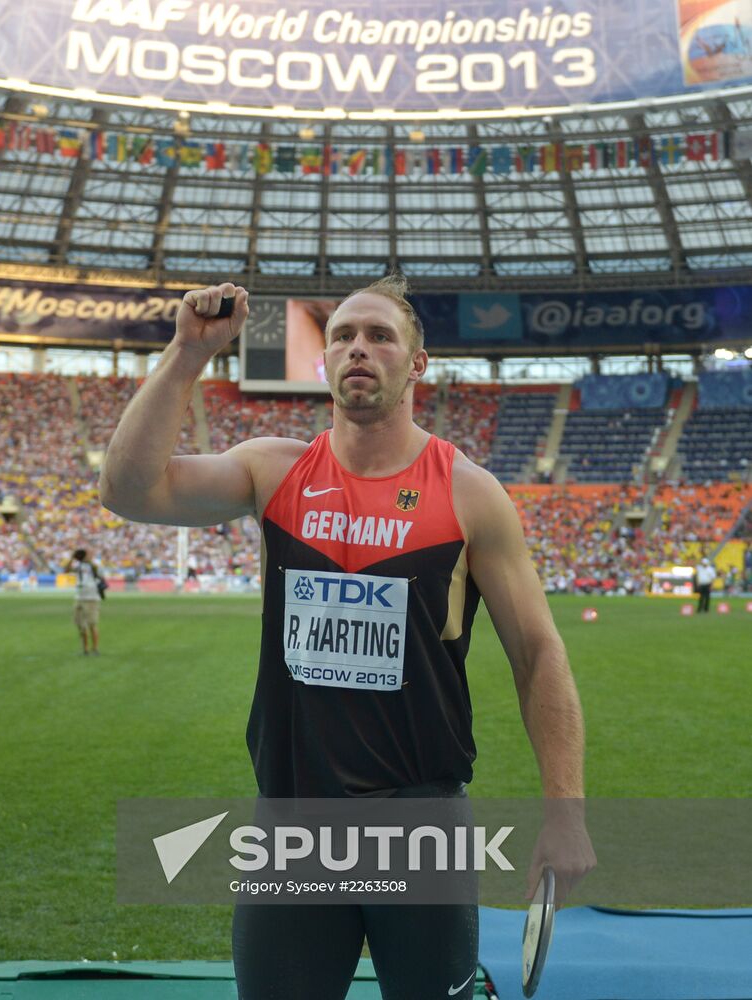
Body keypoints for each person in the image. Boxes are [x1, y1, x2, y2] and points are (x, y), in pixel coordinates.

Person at [100, 275, 595, 1000]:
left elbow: (539, 655)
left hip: (418, 818)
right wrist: (185, 353)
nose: (357, 348)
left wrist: (565, 812)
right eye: (341, 337)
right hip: (292, 819)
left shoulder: (467, 492)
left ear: (415, 365)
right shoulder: (274, 470)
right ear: (323, 362)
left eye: (379, 336)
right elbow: (129, 491)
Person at [64, 548, 102, 654]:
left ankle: (95, 648)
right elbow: (66, 570)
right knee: (80, 624)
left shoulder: (94, 564)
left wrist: (88, 559)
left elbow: (98, 571)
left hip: (92, 597)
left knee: (92, 624)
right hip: (79, 597)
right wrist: (73, 558)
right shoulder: (78, 565)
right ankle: (85, 648)